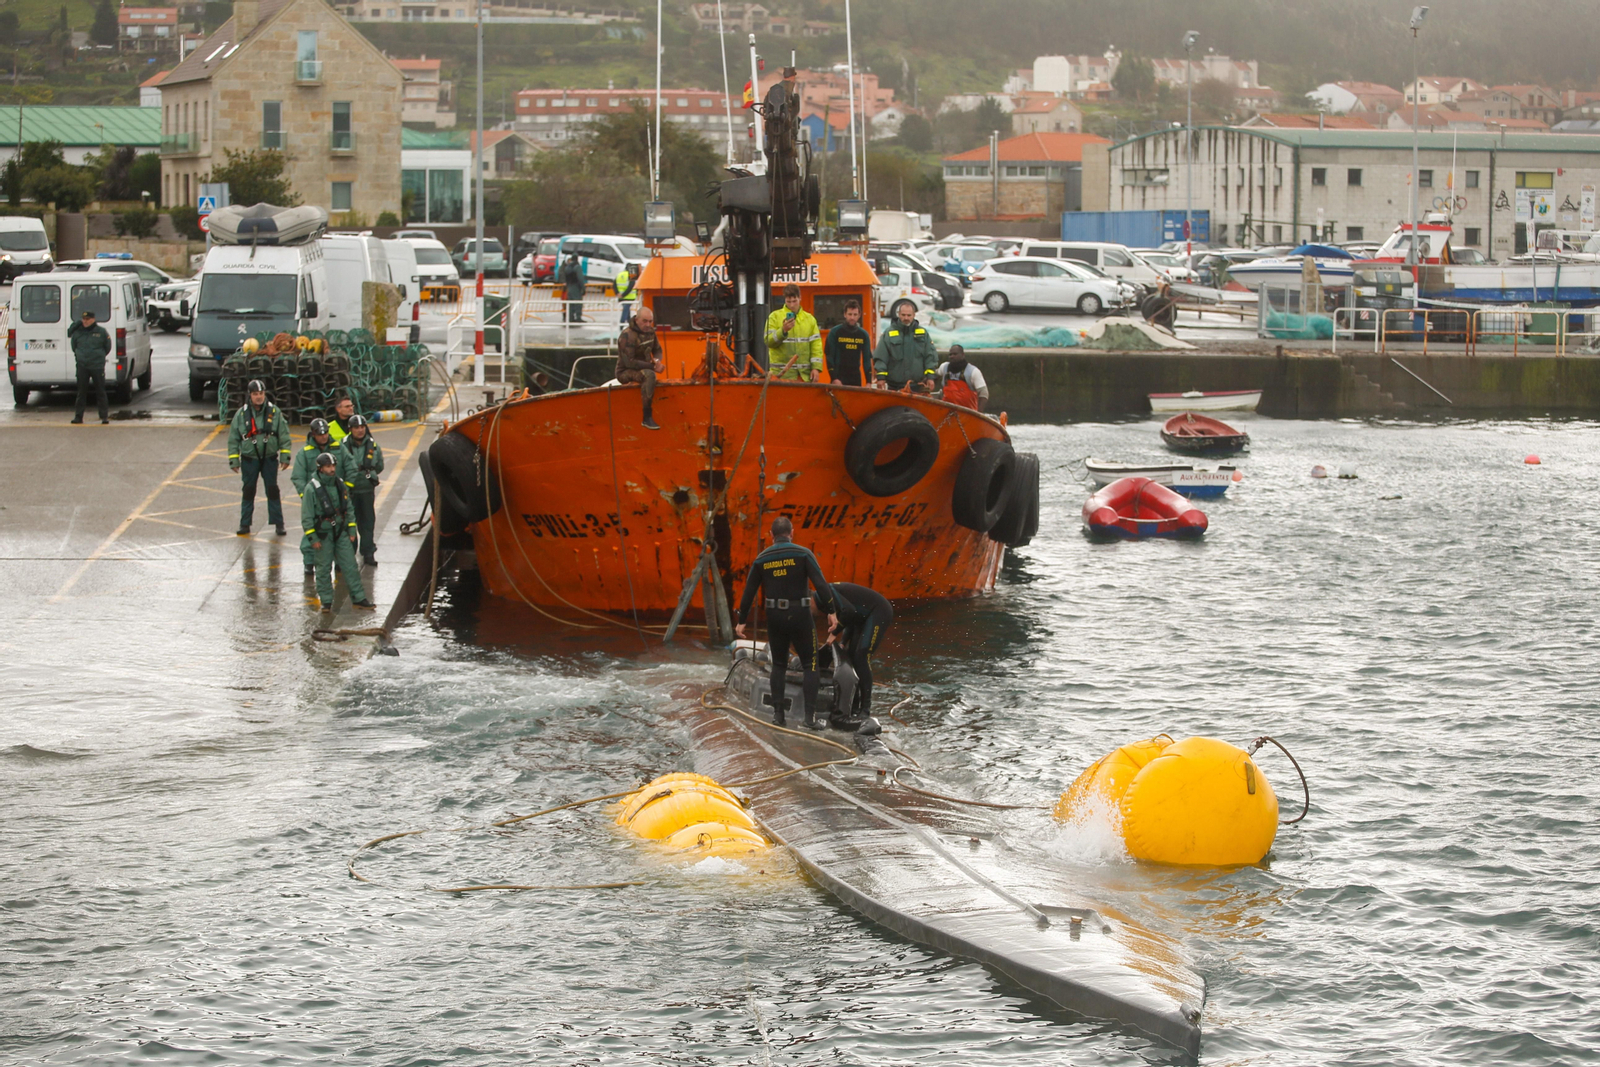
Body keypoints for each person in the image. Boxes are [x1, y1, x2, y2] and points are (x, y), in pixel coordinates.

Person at [735, 516, 839, 729]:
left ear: (771, 536)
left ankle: (778, 716)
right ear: (791, 533)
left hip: (775, 616)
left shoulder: (761, 559)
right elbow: (821, 585)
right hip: (800, 614)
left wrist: (742, 621)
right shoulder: (803, 554)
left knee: (779, 665)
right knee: (810, 664)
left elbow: (748, 593)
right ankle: (809, 719)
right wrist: (831, 611)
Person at [302, 451, 374, 614]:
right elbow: (307, 516)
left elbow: (348, 508)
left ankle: (359, 598)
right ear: (321, 469)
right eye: (328, 466)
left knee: (350, 565)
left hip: (340, 532)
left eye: (333, 465)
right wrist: (313, 538)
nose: (332, 469)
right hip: (323, 534)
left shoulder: (340, 484)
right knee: (323, 568)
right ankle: (326, 602)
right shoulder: (311, 489)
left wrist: (351, 529)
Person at [227, 378, 291, 537]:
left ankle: (278, 523)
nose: (259, 397)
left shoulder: (275, 412)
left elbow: (284, 435)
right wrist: (234, 460)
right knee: (248, 491)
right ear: (250, 395)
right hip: (249, 459)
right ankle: (245, 523)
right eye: (255, 394)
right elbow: (233, 438)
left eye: (261, 393)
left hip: (269, 458)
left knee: (273, 490)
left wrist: (285, 456)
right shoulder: (241, 414)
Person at [826, 582, 894, 726]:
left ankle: (865, 709)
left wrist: (834, 633)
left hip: (878, 612)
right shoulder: (830, 596)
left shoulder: (828, 594)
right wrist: (843, 641)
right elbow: (851, 616)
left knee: (861, 656)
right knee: (850, 655)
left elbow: (849, 612)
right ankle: (853, 704)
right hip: (861, 618)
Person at [290, 417, 336, 577]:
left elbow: (348, 467)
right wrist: (307, 497)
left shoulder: (337, 448)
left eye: (326, 433)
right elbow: (297, 477)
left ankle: (338, 561)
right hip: (315, 500)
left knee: (338, 530)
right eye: (320, 434)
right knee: (311, 530)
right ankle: (309, 562)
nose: (323, 436)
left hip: (335, 499)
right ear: (313, 434)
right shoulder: (304, 453)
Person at [338, 413, 384, 566]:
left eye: (362, 427)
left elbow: (379, 466)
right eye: (356, 428)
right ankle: (349, 553)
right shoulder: (342, 446)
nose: (360, 430)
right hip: (348, 491)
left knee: (367, 522)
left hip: (366, 490)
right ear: (350, 429)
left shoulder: (373, 445)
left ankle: (368, 551)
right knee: (348, 523)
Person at [616, 305, 665, 430]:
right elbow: (629, 362)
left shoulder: (650, 332)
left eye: (650, 321)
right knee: (649, 375)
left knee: (648, 372)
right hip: (625, 371)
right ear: (636, 320)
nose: (648, 324)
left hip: (645, 367)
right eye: (645, 321)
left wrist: (657, 361)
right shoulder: (627, 335)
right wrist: (653, 367)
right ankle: (647, 417)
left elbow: (658, 350)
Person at [872, 300, 938, 392]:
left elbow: (930, 356)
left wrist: (930, 377)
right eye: (903, 315)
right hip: (894, 387)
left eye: (909, 315)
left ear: (914, 315)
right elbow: (881, 357)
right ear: (898, 314)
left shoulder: (923, 334)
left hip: (917, 386)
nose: (906, 318)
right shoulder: (889, 333)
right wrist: (881, 378)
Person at [763, 283, 822, 381]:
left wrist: (816, 368)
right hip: (781, 376)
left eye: (794, 301)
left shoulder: (810, 320)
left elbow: (816, 346)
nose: (791, 305)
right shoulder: (774, 317)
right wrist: (783, 331)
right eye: (788, 301)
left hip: (804, 376)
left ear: (800, 298)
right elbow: (768, 342)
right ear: (784, 300)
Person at [69, 307, 112, 425]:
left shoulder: (101, 332)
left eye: (88, 319)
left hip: (97, 366)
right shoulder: (78, 333)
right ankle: (78, 416)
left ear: (93, 319)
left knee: (100, 391)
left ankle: (104, 416)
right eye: (83, 319)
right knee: (81, 392)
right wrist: (80, 356)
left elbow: (107, 347)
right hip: (82, 365)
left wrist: (99, 357)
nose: (85, 321)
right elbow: (74, 347)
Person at [823, 299, 872, 386]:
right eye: (849, 314)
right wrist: (834, 378)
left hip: (856, 379)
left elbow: (867, 360)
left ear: (859, 315)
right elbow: (829, 357)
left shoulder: (863, 335)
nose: (852, 317)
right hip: (838, 379)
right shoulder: (835, 332)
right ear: (845, 314)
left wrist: (868, 382)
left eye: (855, 314)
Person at [936, 344, 989, 411]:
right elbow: (934, 375)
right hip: (946, 412)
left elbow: (984, 393)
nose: (952, 356)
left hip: (968, 414)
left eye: (955, 354)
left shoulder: (973, 371)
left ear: (963, 355)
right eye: (950, 354)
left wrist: (978, 414)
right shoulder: (944, 367)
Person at [559, 251, 585, 323]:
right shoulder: (577, 267)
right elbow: (580, 278)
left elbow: (563, 276)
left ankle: (570, 317)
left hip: (569, 287)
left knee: (570, 303)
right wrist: (583, 288)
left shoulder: (567, 267)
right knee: (578, 302)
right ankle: (578, 317)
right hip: (576, 287)